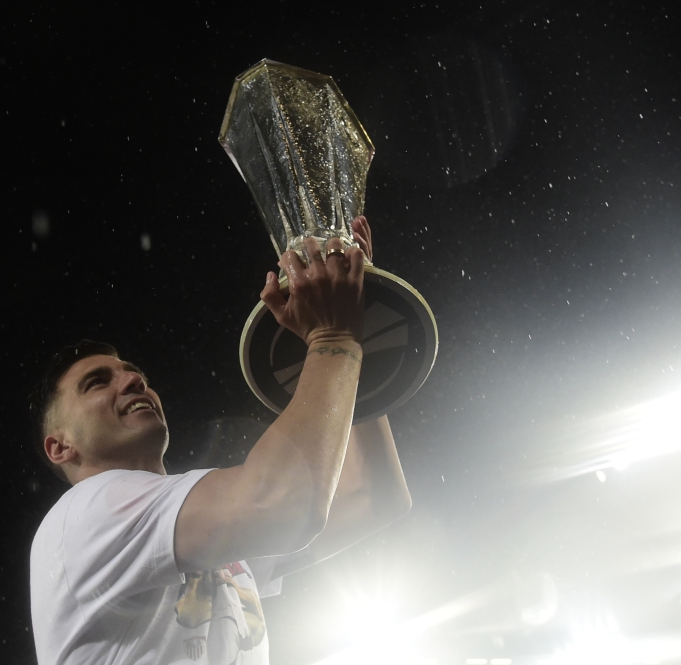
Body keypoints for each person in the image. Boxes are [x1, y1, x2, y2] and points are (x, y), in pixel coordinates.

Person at [28, 216, 412, 665]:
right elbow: (284, 503)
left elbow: (375, 497)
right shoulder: (86, 514)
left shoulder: (195, 534)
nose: (132, 380)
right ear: (60, 447)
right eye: (97, 382)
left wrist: (352, 322)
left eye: (135, 373)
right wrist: (333, 337)